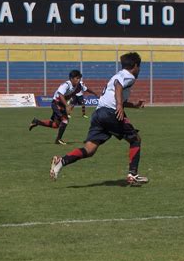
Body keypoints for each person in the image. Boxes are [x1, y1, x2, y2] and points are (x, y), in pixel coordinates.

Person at [49, 52, 149, 186]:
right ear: (135, 66)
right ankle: (133, 174)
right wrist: (119, 105)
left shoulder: (118, 75)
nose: (139, 70)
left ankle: (61, 161)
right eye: (139, 67)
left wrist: (134, 105)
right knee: (135, 139)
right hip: (110, 113)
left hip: (98, 114)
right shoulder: (128, 76)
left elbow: (115, 94)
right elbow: (118, 86)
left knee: (89, 149)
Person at [29, 70, 94, 145]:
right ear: (71, 78)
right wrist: (67, 106)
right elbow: (60, 95)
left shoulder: (78, 85)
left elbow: (86, 89)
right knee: (65, 120)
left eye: (79, 78)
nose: (79, 80)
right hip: (56, 103)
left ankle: (36, 122)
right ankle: (58, 140)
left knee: (56, 125)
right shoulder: (65, 85)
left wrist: (95, 94)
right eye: (77, 78)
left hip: (61, 105)